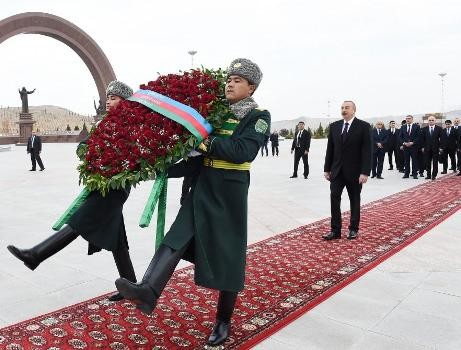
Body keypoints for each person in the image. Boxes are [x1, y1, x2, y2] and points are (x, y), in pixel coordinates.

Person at [115, 58, 270, 347]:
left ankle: (223, 320)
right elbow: (196, 159)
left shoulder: (258, 116)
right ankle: (148, 291)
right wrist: (160, 167)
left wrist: (204, 142)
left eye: (237, 81)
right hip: (200, 186)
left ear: (251, 87)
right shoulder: (215, 115)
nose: (230, 84)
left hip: (229, 194)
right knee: (176, 237)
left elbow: (242, 151)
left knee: (228, 256)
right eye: (229, 79)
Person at [7, 80, 136, 302]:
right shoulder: (104, 124)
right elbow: (84, 145)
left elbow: (134, 156)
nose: (108, 102)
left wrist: (110, 160)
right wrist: (89, 153)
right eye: (108, 98)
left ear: (125, 101)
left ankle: (36, 254)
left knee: (79, 221)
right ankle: (132, 287)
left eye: (114, 98)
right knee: (117, 239)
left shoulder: (131, 125)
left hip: (116, 187)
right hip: (101, 184)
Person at [323, 101, 372, 240]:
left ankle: (353, 229)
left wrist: (365, 172)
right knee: (334, 197)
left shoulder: (363, 126)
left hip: (355, 173)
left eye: (347, 107)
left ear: (354, 110)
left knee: (354, 200)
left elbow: (367, 151)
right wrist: (327, 169)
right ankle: (335, 230)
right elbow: (330, 149)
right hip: (337, 171)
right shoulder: (334, 126)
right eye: (342, 108)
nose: (344, 110)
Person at [420, 115, 442, 180]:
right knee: (427, 163)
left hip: (436, 148)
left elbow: (442, 139)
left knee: (435, 162)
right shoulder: (424, 129)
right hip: (427, 148)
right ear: (428, 121)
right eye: (430, 120)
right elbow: (422, 139)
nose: (431, 121)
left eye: (432, 120)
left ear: (435, 121)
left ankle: (434, 175)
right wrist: (423, 147)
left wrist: (440, 147)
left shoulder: (439, 128)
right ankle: (428, 175)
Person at [399, 115, 420, 179]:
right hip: (406, 147)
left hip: (414, 147)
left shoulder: (417, 126)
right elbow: (400, 136)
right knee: (406, 161)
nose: (407, 120)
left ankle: (414, 174)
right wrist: (404, 143)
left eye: (409, 118)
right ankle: (406, 174)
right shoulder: (403, 127)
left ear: (412, 119)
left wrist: (413, 142)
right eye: (407, 118)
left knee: (414, 160)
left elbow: (418, 136)